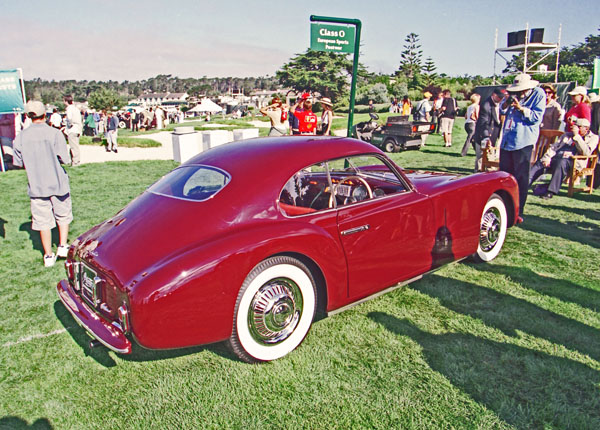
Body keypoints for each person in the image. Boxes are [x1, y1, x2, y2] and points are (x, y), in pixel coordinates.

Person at [12, 101, 73, 267]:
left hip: (37, 184)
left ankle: (48, 255)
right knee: (63, 214)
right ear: (44, 115)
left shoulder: (21, 137)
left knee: (42, 220)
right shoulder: (54, 133)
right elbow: (65, 159)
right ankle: (62, 246)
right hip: (57, 181)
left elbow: (17, 163)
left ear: (28, 116)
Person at [499, 73, 546, 223]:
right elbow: (502, 110)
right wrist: (506, 102)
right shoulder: (513, 94)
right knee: (504, 175)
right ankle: (505, 206)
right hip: (507, 140)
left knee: (520, 177)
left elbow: (536, 118)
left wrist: (521, 108)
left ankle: (519, 210)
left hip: (523, 141)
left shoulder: (538, 94)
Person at [529, 118, 598, 199]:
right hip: (557, 158)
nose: (575, 128)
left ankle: (550, 191)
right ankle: (524, 184)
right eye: (575, 126)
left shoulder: (593, 137)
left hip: (574, 161)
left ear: (586, 128)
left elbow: (586, 152)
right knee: (540, 163)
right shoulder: (567, 135)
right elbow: (554, 147)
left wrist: (577, 136)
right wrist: (547, 158)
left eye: (578, 127)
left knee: (561, 163)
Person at [473, 88, 505, 172]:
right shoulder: (486, 105)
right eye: (499, 97)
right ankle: (478, 173)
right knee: (481, 155)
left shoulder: (501, 105)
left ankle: (487, 172)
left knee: (491, 155)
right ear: (493, 95)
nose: (501, 99)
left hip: (495, 133)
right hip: (483, 133)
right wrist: (486, 137)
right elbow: (484, 122)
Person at [64, 95, 82, 166]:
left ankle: (75, 162)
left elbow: (69, 118)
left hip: (72, 129)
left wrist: (69, 125)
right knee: (76, 146)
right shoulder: (76, 109)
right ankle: (75, 161)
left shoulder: (69, 109)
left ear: (66, 101)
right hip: (77, 129)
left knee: (73, 147)